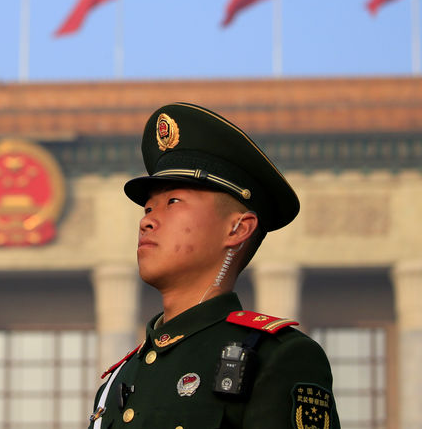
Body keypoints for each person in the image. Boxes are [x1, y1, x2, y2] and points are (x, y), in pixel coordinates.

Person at [89, 102, 340, 429]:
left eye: (172, 202)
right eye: (147, 208)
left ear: (237, 228)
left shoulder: (277, 358)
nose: (147, 221)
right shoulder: (117, 380)